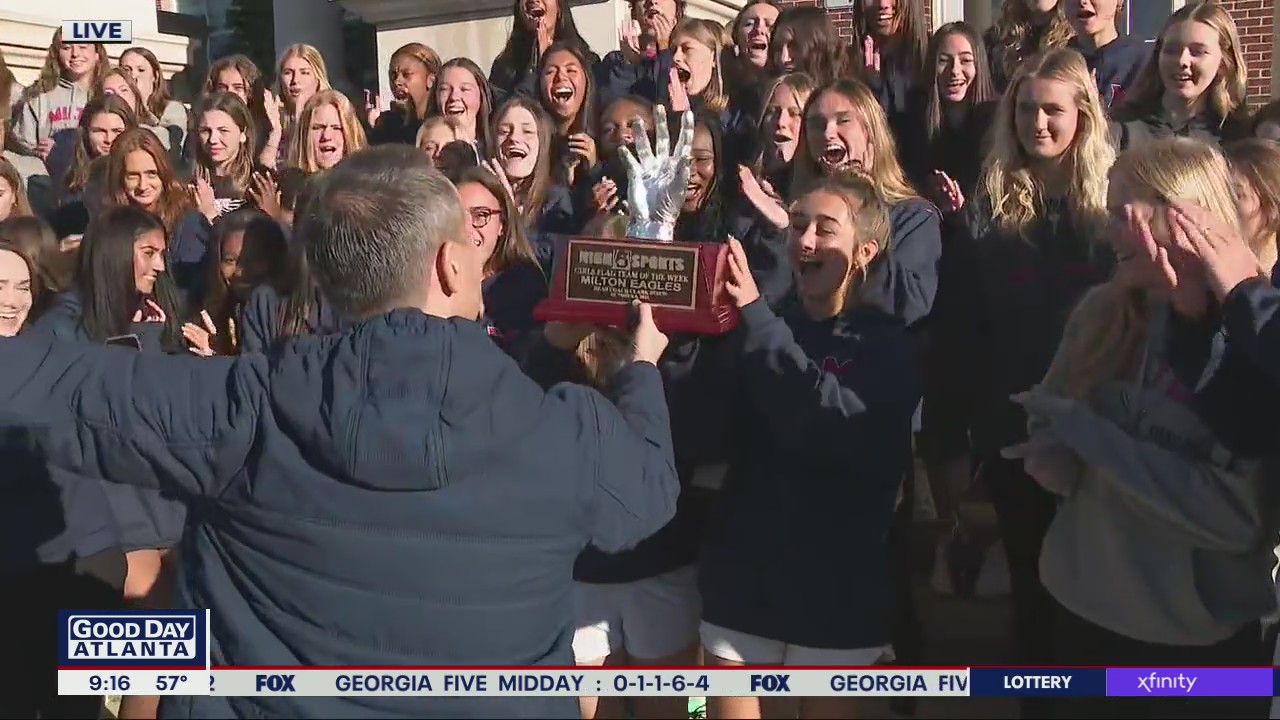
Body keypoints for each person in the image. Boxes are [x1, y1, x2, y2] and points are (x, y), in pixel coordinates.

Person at [0, 144, 681, 719]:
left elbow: (38, 387)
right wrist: (641, 369)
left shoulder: (238, 405)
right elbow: (646, 493)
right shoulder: (566, 430)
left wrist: (82, 287)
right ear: (448, 265)